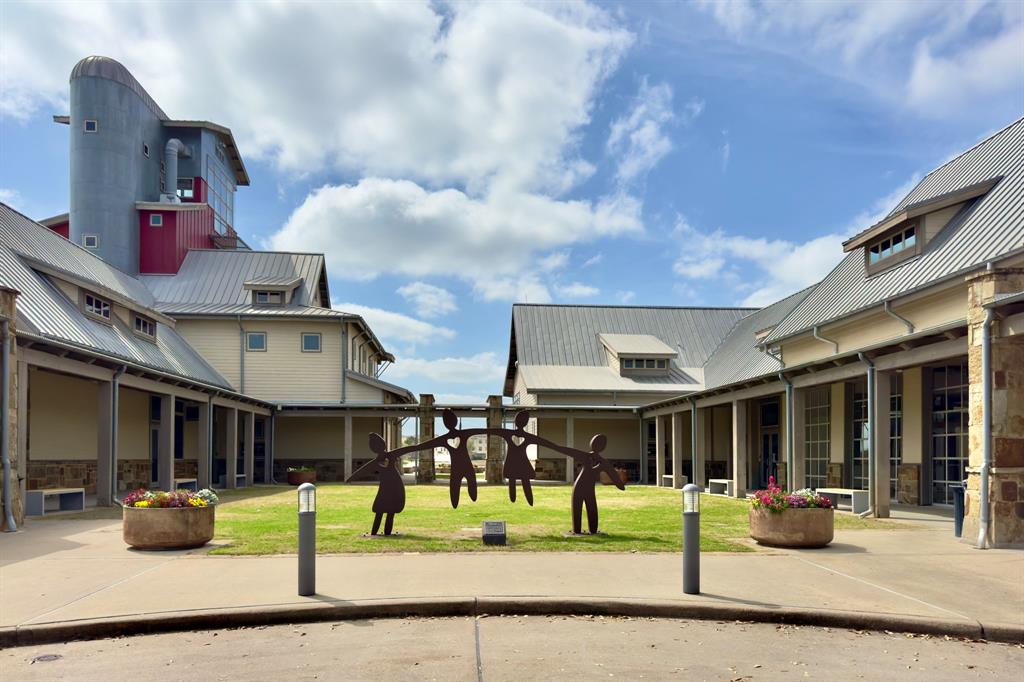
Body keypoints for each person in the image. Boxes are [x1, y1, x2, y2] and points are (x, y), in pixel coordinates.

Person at [544, 434, 625, 535]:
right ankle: (577, 530)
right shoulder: (585, 456)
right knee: (577, 509)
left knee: (592, 509)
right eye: (597, 444)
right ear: (592, 445)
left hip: (590, 489)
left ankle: (593, 530)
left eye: (601, 444)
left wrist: (620, 485)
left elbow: (613, 474)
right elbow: (564, 450)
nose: (598, 447)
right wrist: (549, 445)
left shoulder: (603, 462)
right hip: (579, 487)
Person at [412, 409, 492, 509]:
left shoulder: (448, 437)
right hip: (463, 468)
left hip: (459, 469)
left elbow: (420, 446)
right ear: (455, 421)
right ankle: (461, 502)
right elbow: (487, 431)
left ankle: (462, 501)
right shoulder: (463, 434)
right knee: (459, 491)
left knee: (461, 491)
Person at [346, 433, 420, 536]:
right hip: (385, 487)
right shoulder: (376, 462)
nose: (376, 448)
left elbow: (411, 448)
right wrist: (350, 479)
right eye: (373, 445)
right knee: (380, 509)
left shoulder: (391, 455)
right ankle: (375, 533)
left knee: (390, 510)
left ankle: (386, 533)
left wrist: (428, 445)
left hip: (394, 485)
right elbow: (362, 471)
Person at [496, 410, 537, 505]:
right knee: (517, 481)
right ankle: (516, 500)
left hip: (519, 463)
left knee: (523, 481)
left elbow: (547, 444)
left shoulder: (508, 433)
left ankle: (526, 501)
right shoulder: (509, 434)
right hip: (516, 463)